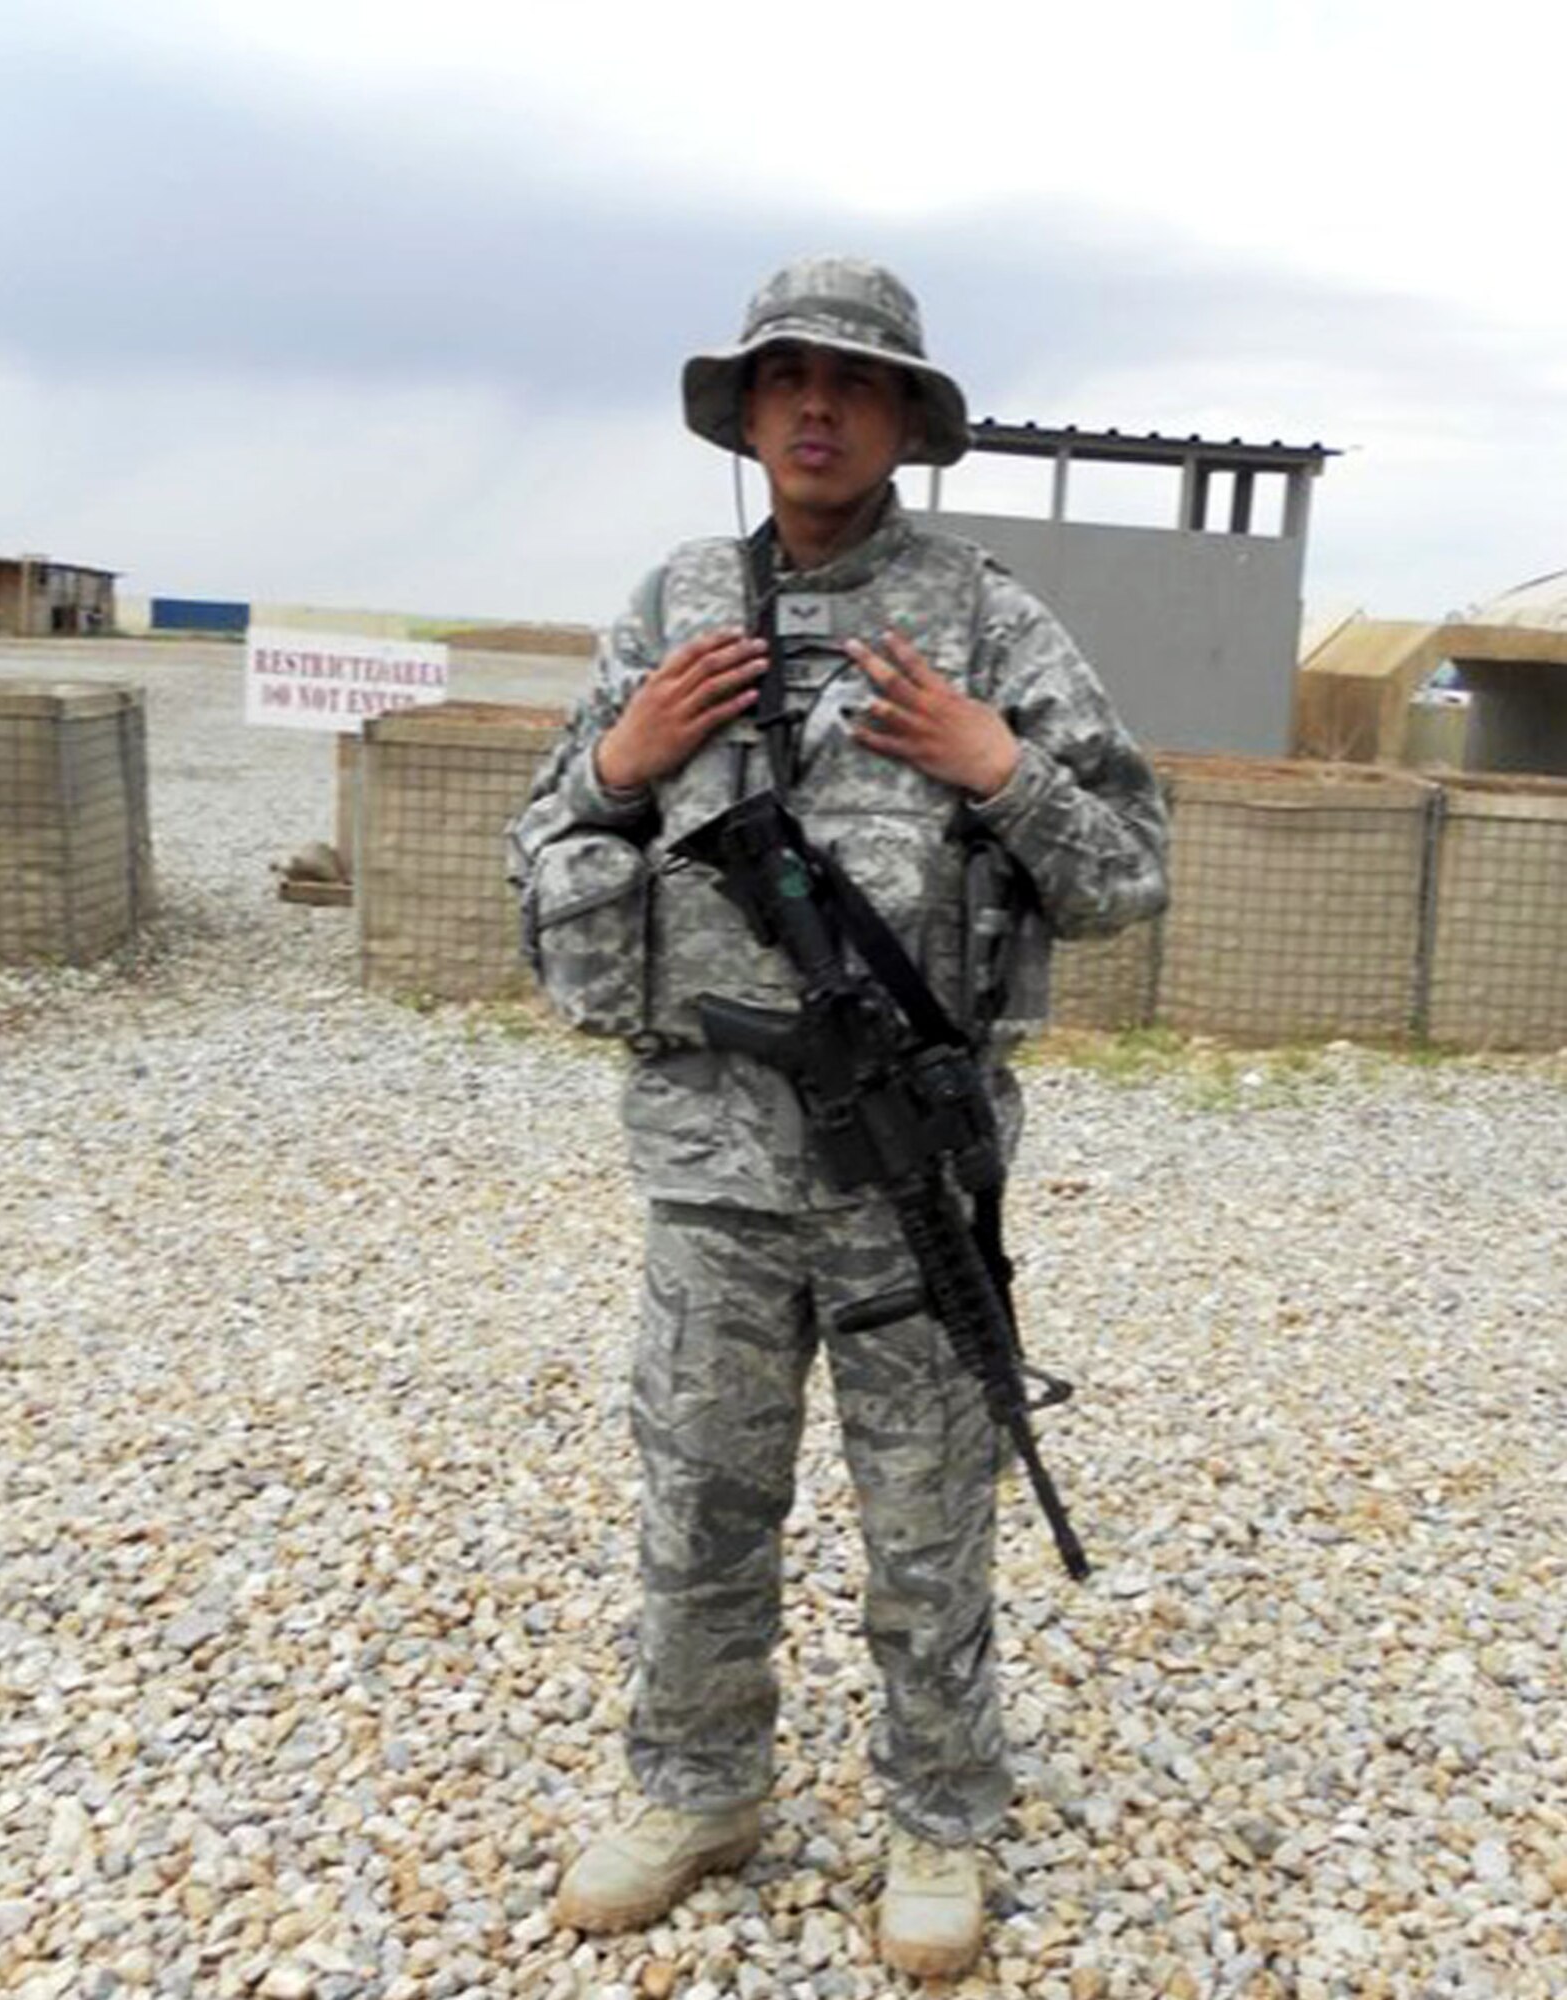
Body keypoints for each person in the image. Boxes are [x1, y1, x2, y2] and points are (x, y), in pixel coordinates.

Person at [509, 253, 1168, 1980]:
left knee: (927, 1511)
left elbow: (1128, 876)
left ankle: (938, 1817)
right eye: (787, 377)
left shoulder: (987, 623)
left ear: (902, 422)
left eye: (854, 383)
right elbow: (546, 858)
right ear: (746, 410)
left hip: (909, 1176)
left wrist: (992, 763)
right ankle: (698, 1789)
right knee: (703, 1497)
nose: (815, 407)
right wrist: (622, 763)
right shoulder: (672, 611)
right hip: (712, 1163)